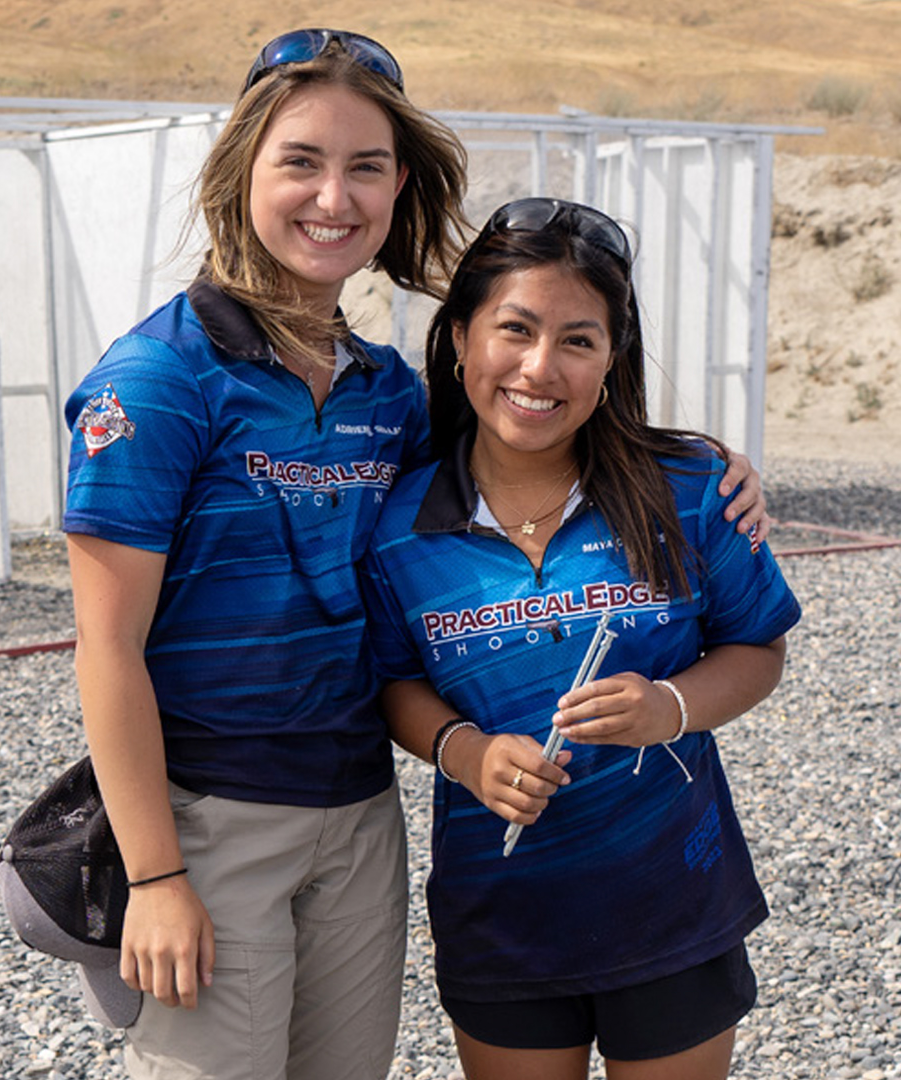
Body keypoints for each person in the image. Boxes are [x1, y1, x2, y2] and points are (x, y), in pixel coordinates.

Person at [58, 30, 767, 1079]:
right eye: (300, 160)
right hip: (211, 820)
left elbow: (527, 427)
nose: (333, 196)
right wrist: (157, 876)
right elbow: (104, 646)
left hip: (359, 820)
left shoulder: (389, 392)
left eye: (367, 167)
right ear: (240, 169)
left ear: (402, 190)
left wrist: (707, 459)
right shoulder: (158, 382)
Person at [360, 197, 801, 1078]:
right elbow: (395, 683)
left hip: (672, 900)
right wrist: (466, 752)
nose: (539, 367)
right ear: (459, 339)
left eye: (578, 339)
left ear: (612, 358)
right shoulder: (395, 523)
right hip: (503, 914)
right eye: (514, 329)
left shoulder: (691, 490)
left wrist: (670, 706)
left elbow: (759, 649)